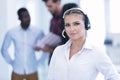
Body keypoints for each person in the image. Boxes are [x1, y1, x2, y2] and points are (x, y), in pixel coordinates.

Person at [48, 8, 120, 80]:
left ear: (86, 25)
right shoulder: (58, 51)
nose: (72, 29)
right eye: (67, 25)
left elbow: (114, 77)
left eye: (76, 24)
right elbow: (50, 78)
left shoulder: (95, 52)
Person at [1, 7, 45, 80]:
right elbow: (4, 50)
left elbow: (46, 47)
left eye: (28, 16)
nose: (27, 19)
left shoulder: (38, 31)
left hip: (32, 70)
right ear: (19, 18)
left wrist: (40, 62)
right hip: (17, 70)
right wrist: (12, 63)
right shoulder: (11, 32)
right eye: (24, 17)